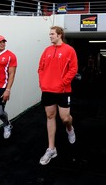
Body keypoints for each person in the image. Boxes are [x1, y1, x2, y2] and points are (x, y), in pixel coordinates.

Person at [37, 26, 78, 165]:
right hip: (47, 90)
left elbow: (73, 69)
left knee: (65, 118)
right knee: (50, 116)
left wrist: (63, 83)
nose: (50, 36)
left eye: (52, 34)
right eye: (49, 34)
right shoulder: (47, 50)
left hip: (63, 90)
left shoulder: (69, 50)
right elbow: (40, 68)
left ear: (60, 35)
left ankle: (70, 129)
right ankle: (51, 149)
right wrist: (42, 83)